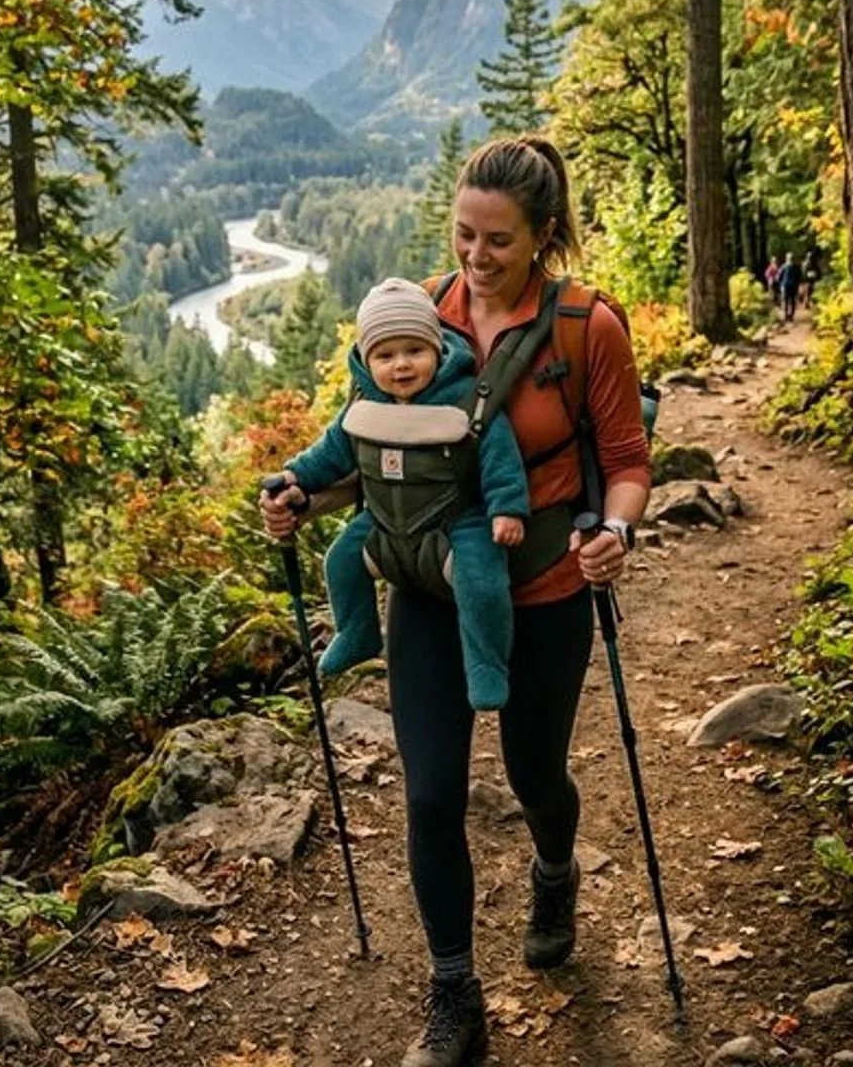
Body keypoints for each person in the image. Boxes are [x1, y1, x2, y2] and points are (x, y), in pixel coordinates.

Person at [260, 136, 650, 1067]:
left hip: (547, 591)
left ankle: (554, 869)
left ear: (544, 236)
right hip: (426, 591)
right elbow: (371, 454)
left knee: (533, 776)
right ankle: (453, 992)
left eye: (498, 242)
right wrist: (299, 500)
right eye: (463, 235)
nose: (474, 260)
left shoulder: (583, 328)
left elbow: (628, 463)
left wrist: (617, 533)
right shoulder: (417, 314)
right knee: (432, 794)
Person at [274, 277, 529, 712]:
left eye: (415, 351)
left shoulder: (464, 401)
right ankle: (357, 632)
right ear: (366, 360)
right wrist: (295, 476)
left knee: (482, 581)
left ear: (437, 349)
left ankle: (486, 663)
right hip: (384, 522)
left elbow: (499, 455)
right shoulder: (363, 405)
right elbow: (330, 453)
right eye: (385, 356)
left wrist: (507, 508)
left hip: (455, 520)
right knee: (339, 560)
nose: (402, 366)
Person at [778, 251, 801, 323]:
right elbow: (799, 277)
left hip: (785, 286)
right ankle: (790, 316)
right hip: (793, 286)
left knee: (786, 300)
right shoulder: (796, 267)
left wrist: (781, 284)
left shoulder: (783, 266)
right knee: (792, 301)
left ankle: (786, 316)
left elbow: (779, 277)